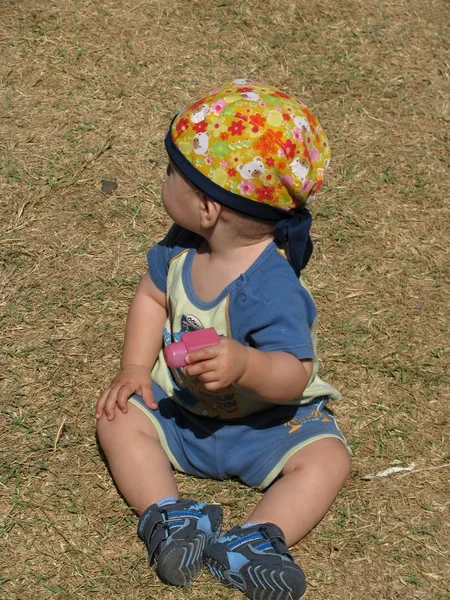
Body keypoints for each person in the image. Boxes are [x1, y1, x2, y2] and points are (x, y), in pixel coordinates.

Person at [95, 78, 351, 600]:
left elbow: (295, 370)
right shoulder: (182, 247)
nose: (162, 178)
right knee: (116, 417)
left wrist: (246, 365)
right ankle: (171, 516)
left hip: (267, 426)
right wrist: (136, 370)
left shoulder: (270, 284)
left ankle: (255, 541)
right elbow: (151, 299)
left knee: (328, 458)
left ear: (208, 208)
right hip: (184, 411)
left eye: (172, 172)